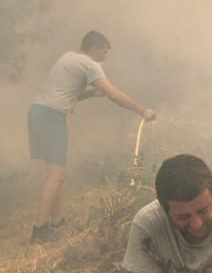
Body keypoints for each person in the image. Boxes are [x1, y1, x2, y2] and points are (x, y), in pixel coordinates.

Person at [28, 30, 157, 243]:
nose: (105, 57)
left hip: (38, 112)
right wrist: (142, 110)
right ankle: (40, 231)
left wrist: (90, 93)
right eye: (104, 52)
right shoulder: (90, 64)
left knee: (54, 172)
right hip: (51, 117)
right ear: (94, 49)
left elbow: (68, 94)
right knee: (57, 175)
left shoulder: (68, 57)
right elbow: (114, 94)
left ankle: (57, 223)